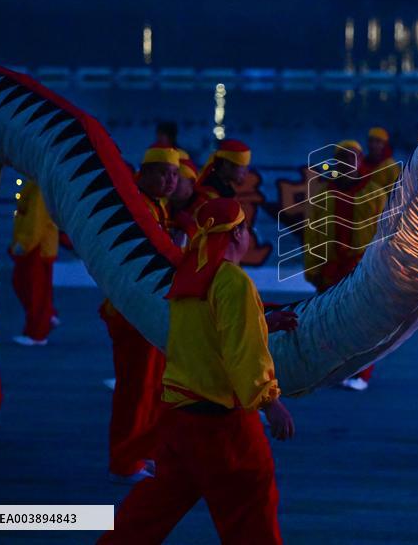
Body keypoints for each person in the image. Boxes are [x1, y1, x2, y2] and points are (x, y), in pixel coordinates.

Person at [100, 198, 295, 544]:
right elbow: (242, 352)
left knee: (149, 513)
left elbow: (206, 337)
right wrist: (270, 402)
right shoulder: (233, 282)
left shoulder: (190, 275)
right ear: (237, 233)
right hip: (223, 426)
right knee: (252, 512)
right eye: (245, 228)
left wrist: (263, 322)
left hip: (181, 421)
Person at [100, 145, 179, 484]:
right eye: (163, 173)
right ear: (144, 173)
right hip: (132, 311)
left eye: (174, 175)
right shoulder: (132, 206)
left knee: (149, 387)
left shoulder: (155, 205)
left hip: (148, 311)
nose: (170, 181)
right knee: (135, 388)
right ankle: (124, 460)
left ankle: (139, 453)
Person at [303, 140, 383, 391]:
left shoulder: (375, 193)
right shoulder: (323, 195)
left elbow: (385, 234)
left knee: (363, 324)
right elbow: (312, 234)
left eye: (351, 159)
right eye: (342, 159)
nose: (347, 164)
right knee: (327, 321)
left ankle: (360, 373)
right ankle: (330, 369)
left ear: (360, 161)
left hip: (362, 268)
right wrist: (313, 268)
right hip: (331, 268)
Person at [10, 181, 59, 346]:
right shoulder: (37, 183)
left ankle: (37, 333)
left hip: (35, 247)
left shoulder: (38, 188)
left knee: (32, 289)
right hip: (40, 245)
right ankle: (46, 317)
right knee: (37, 290)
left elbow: (35, 221)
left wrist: (23, 244)